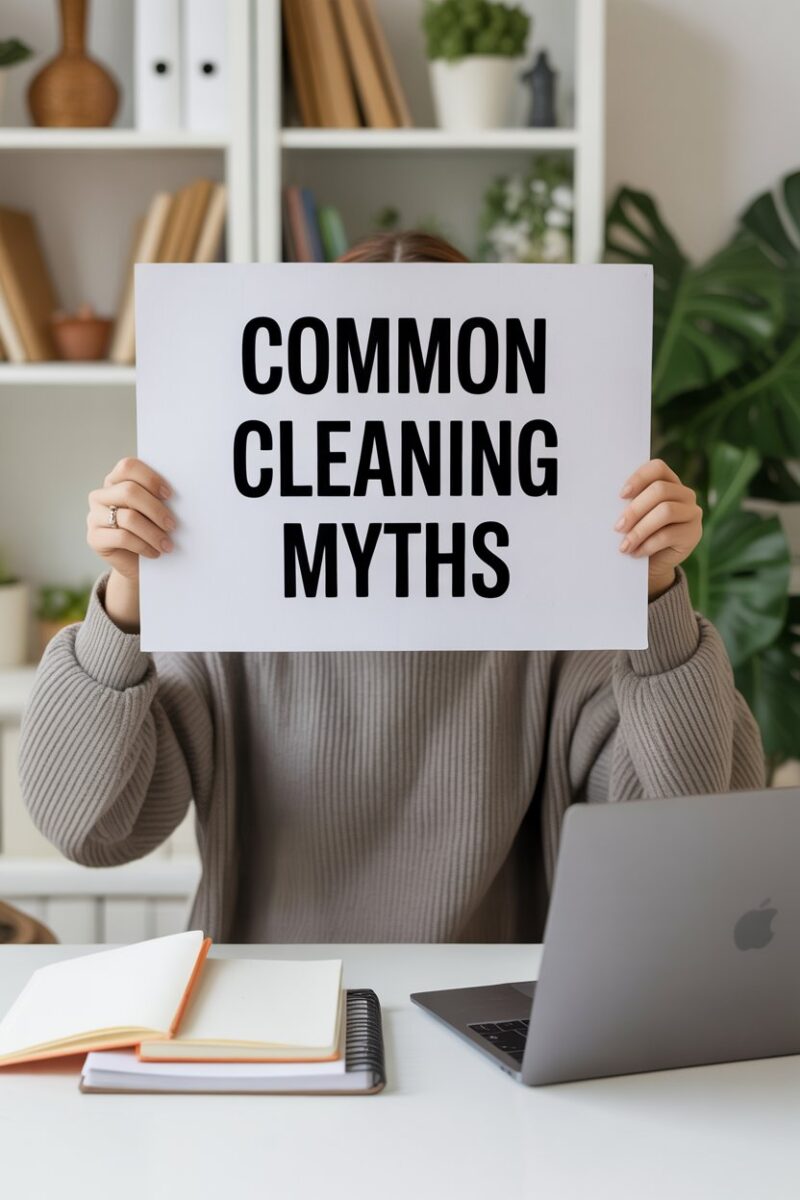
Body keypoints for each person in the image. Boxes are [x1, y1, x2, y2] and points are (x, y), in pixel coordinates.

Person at [18, 231, 765, 944]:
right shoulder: (231, 605)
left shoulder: (562, 612)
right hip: (265, 1031)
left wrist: (657, 595)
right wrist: (126, 601)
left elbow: (686, 836)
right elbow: (88, 827)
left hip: (496, 1029)